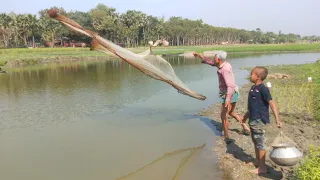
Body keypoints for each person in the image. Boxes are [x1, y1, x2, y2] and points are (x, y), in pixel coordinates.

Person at [193, 51, 251, 144]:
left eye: (215, 57)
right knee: (231, 112)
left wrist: (227, 100)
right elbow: (211, 63)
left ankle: (226, 137)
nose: (213, 59)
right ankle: (245, 126)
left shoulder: (224, 69)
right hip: (233, 92)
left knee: (223, 116)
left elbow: (230, 85)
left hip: (229, 93)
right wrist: (199, 56)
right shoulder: (224, 64)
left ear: (218, 59)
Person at [242, 66, 282, 174]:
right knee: (255, 141)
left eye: (252, 74)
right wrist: (245, 117)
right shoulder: (252, 88)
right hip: (252, 119)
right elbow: (251, 106)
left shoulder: (263, 89)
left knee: (260, 143)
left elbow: (272, 104)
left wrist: (277, 119)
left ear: (258, 77)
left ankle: (262, 168)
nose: (250, 75)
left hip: (259, 120)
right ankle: (258, 161)